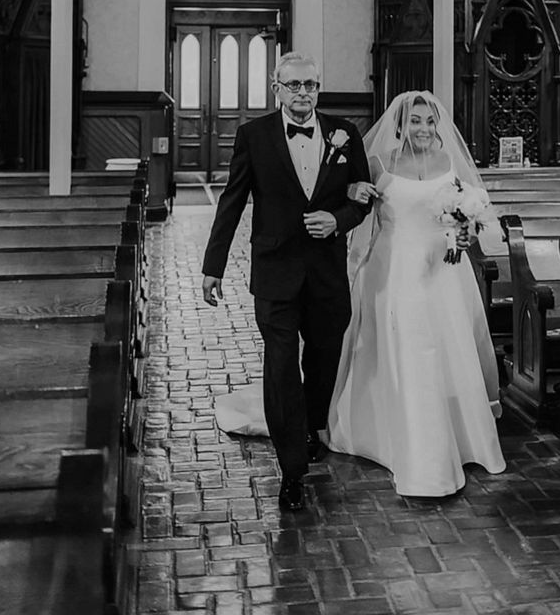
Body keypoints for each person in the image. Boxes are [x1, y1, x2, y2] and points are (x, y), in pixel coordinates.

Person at [201, 52, 371, 512]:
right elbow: (232, 202)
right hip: (275, 271)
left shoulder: (345, 134)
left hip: (327, 273)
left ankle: (313, 423)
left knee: (323, 358)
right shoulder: (253, 136)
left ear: (319, 87)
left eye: (310, 85)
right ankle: (291, 468)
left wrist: (338, 220)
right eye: (293, 85)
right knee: (279, 368)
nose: (303, 93)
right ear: (277, 87)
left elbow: (363, 197)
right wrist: (212, 265)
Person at [326, 90, 506, 496]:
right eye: (415, 121)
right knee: (407, 350)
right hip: (395, 268)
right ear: (400, 125)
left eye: (429, 121)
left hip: (444, 271)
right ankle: (410, 447)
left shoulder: (448, 163)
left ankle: (457, 439)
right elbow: (355, 208)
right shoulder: (380, 163)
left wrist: (464, 232)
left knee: (446, 348)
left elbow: (470, 219)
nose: (423, 129)